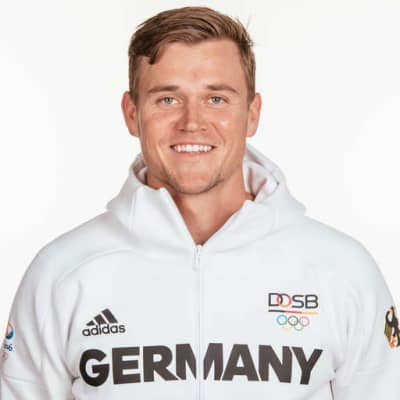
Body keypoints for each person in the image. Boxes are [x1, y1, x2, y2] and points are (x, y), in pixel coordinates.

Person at [0, 5, 399, 399]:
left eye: (217, 99)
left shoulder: (341, 270)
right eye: (167, 99)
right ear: (132, 113)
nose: (192, 122)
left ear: (252, 113)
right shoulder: (62, 272)